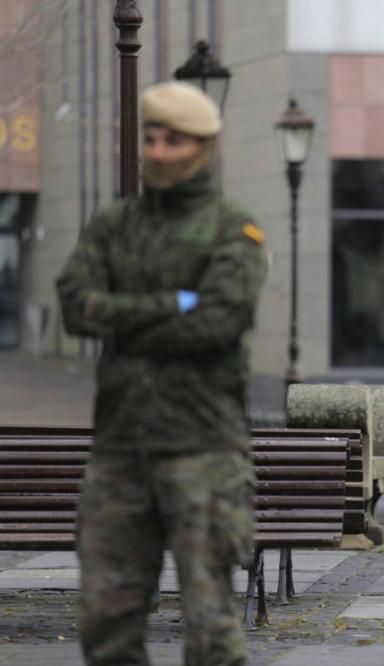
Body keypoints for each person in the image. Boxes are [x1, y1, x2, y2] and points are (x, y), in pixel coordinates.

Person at [56, 81, 268, 666]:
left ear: (203, 147)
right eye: (149, 138)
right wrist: (173, 302)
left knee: (210, 628)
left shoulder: (235, 230)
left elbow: (215, 325)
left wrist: (121, 315)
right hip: (120, 451)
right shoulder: (112, 225)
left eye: (172, 140)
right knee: (106, 622)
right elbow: (75, 306)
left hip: (203, 451)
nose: (155, 150)